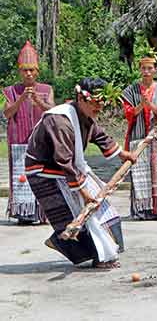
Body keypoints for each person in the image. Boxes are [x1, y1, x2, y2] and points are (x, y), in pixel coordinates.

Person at [25, 78, 136, 268]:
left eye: (101, 104)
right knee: (78, 215)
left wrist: (122, 154)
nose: (98, 109)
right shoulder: (60, 120)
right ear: (80, 98)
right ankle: (97, 256)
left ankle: (101, 249)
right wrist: (83, 193)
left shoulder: (84, 115)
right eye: (94, 104)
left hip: (68, 169)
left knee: (103, 209)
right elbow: (64, 161)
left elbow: (98, 135)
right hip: (45, 172)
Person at [2, 40, 55, 224]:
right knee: (21, 177)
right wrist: (22, 99)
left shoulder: (46, 90)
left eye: (32, 70)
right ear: (20, 72)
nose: (29, 73)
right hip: (18, 141)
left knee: (42, 176)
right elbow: (7, 113)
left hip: (40, 141)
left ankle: (42, 214)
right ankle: (23, 213)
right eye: (25, 70)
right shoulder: (11, 91)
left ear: (37, 71)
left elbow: (52, 111)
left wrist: (37, 101)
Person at [122, 53, 157, 220]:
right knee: (139, 172)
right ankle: (141, 210)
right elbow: (129, 114)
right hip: (137, 136)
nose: (146, 71)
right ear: (140, 70)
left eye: (150, 68)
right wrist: (141, 105)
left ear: (155, 70)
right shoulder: (131, 91)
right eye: (143, 68)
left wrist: (149, 105)